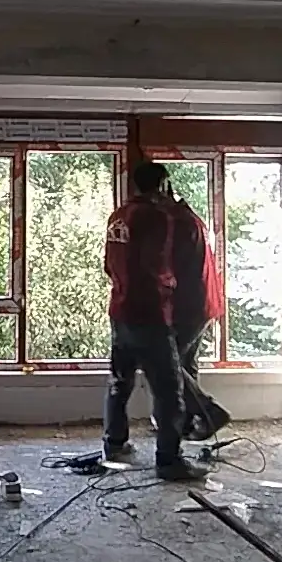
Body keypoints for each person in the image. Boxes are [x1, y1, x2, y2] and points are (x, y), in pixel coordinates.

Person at [102, 161, 209, 481]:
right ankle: (168, 461)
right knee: (169, 391)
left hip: (120, 311)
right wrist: (171, 289)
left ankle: (114, 444)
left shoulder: (118, 215)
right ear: (162, 185)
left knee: (120, 381)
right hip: (150, 314)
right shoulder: (157, 217)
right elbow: (159, 265)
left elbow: (109, 264)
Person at [165, 182, 231, 442]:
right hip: (202, 303)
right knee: (185, 364)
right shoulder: (189, 218)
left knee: (168, 362)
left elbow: (172, 267)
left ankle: (208, 411)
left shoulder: (176, 223)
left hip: (187, 305)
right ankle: (186, 422)